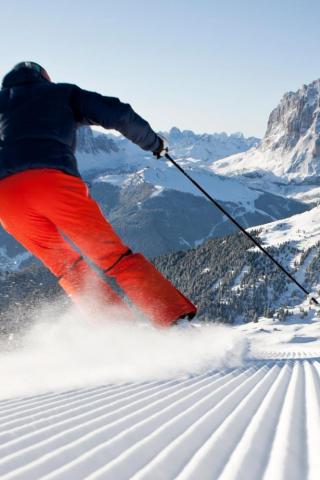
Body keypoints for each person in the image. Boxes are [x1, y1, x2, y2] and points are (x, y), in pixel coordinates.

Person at [0, 61, 197, 327]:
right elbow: (117, 113)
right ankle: (173, 320)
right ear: (44, 78)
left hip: (6, 198)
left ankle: (116, 331)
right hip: (52, 182)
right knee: (113, 257)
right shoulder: (62, 93)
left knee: (67, 266)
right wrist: (155, 143)